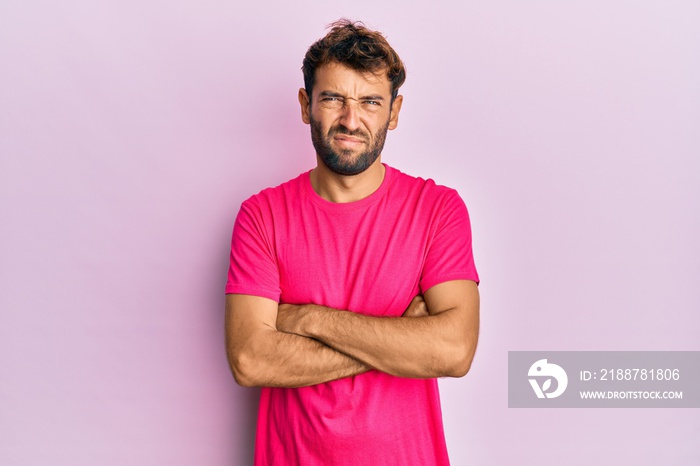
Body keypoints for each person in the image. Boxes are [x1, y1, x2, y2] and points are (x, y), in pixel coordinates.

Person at [225, 19, 480, 466]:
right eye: (333, 99)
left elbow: (454, 351)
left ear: (394, 112)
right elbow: (250, 359)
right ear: (306, 105)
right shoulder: (261, 216)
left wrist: (306, 319)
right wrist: (401, 337)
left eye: (369, 102)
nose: (350, 119)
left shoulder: (437, 209)